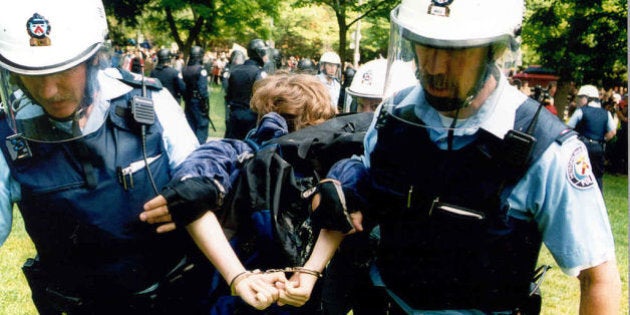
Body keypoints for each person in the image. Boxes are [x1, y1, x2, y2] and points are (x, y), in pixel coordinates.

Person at [323, 0, 621, 314]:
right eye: (425, 46)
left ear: (494, 51)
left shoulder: (547, 149)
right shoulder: (394, 116)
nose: (435, 67)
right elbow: (366, 194)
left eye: (455, 52)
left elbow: (597, 277)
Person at [0, 0, 283, 313]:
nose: (49, 91)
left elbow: (192, 197)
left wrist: (237, 274)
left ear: (93, 60)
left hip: (172, 297)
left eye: (63, 73)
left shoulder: (153, 104)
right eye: (32, 76)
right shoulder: (7, 139)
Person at [141, 71, 352, 314]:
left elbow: (202, 171)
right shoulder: (331, 167)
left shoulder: (330, 167)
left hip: (241, 294)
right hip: (261, 295)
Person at [566, 84, 617, 192]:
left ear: (587, 98)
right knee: (597, 177)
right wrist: (602, 140)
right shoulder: (606, 113)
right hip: (598, 148)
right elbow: (612, 132)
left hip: (581, 147)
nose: (578, 100)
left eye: (580, 97)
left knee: (577, 175)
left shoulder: (581, 111)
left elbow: (569, 128)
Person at [224, 38, 269, 140]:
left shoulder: (236, 70)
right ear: (258, 53)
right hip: (251, 118)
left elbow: (228, 94)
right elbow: (261, 97)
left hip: (234, 115)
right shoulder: (259, 72)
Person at [182, 45, 211, 144]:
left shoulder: (185, 69)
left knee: (191, 124)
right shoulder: (201, 70)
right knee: (202, 124)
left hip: (188, 100)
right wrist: (206, 103)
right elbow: (203, 89)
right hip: (198, 101)